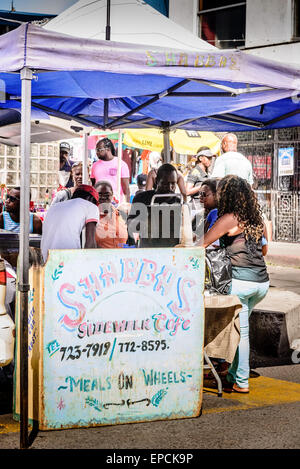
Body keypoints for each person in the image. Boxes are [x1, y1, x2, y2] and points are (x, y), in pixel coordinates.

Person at [197, 175, 269, 393]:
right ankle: (232, 375)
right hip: (261, 283)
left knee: (242, 334)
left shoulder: (229, 218)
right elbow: (264, 250)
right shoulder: (256, 218)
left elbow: (201, 244)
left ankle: (242, 382)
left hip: (241, 281)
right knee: (241, 330)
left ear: (226, 195)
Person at [128, 163, 182, 248]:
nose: (169, 187)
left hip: (172, 251)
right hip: (148, 250)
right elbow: (131, 225)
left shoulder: (178, 202)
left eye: (173, 184)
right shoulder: (142, 198)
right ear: (156, 181)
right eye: (165, 183)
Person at [41, 184, 99, 263]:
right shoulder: (91, 206)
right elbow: (90, 243)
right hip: (68, 258)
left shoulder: (54, 206)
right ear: (90, 199)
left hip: (46, 258)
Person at [90, 138, 130, 203]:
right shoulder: (95, 165)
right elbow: (93, 185)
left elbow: (126, 188)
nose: (96, 152)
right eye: (96, 150)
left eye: (99, 150)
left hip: (116, 201)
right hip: (98, 200)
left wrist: (127, 204)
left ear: (108, 149)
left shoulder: (121, 164)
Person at [94, 180, 128, 249]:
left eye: (107, 194)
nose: (103, 197)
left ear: (112, 195)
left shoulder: (121, 215)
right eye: (99, 194)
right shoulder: (91, 217)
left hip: (121, 258)